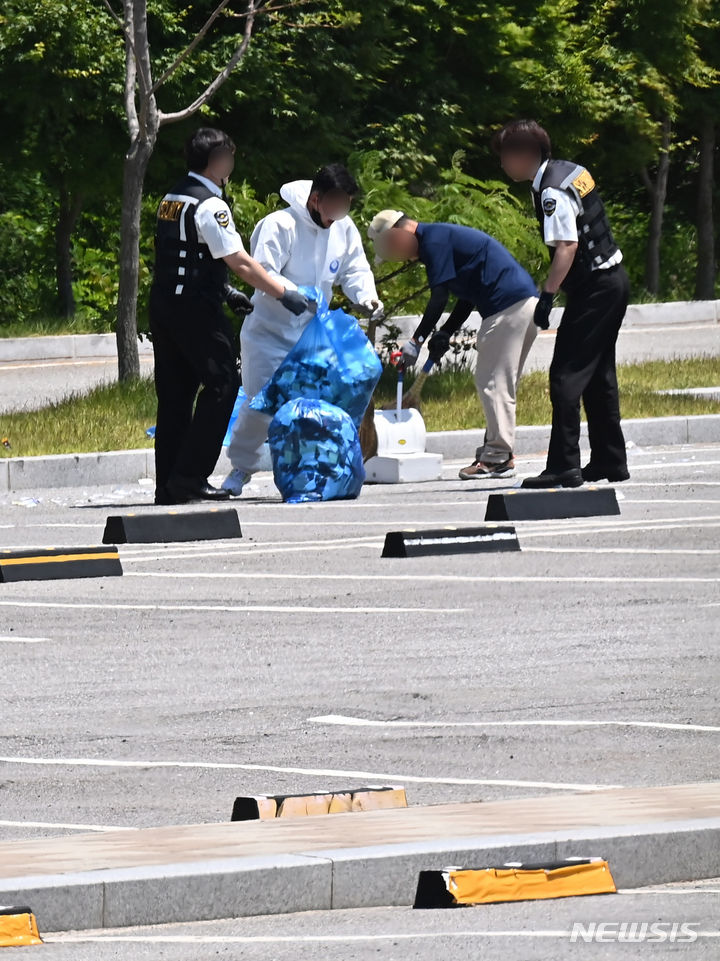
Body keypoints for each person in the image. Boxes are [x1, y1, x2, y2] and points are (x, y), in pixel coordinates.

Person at [149, 127, 313, 505]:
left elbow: (183, 252)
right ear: (218, 162)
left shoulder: (172, 197)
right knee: (223, 384)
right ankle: (190, 477)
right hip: (195, 311)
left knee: (175, 395)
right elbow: (239, 261)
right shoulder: (211, 204)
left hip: (165, 307)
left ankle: (169, 484)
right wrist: (282, 292)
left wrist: (225, 291)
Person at [222, 164, 383, 495]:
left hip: (314, 336)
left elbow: (355, 270)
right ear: (315, 198)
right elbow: (262, 270)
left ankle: (317, 470)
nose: (340, 211)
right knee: (261, 402)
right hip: (270, 333)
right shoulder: (279, 225)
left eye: (347, 204)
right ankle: (242, 469)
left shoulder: (344, 228)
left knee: (319, 404)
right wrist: (288, 292)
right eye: (336, 203)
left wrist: (366, 298)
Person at [493, 119, 631, 488]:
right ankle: (609, 460)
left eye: (506, 157)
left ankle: (564, 467)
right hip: (610, 282)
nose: (503, 165)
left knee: (566, 376)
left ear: (526, 155)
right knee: (598, 375)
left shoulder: (551, 190)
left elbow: (567, 246)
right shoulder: (568, 171)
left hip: (598, 289)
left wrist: (547, 295)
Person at [367, 211, 538, 479]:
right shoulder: (441, 239)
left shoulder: (433, 241)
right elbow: (466, 297)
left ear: (399, 234)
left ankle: (497, 457)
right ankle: (496, 452)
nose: (400, 257)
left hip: (508, 307)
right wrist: (445, 332)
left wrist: (416, 341)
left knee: (492, 382)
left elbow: (439, 297)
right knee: (500, 383)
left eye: (392, 248)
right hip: (521, 304)